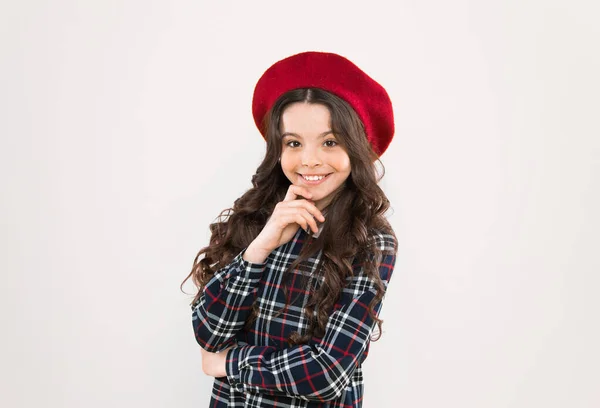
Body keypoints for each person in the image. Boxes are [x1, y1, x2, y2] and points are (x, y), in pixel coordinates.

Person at [182, 51, 398, 408]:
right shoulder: (255, 216)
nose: (309, 160)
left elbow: (327, 372)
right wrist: (260, 247)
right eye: (294, 143)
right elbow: (210, 332)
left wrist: (230, 363)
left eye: (330, 142)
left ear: (356, 149)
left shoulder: (371, 239)